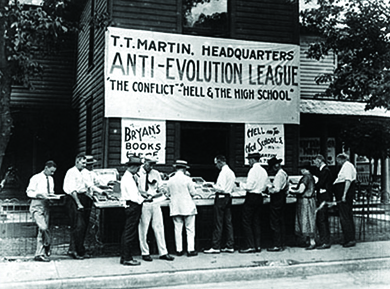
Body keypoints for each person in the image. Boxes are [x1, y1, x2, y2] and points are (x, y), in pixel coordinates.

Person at [137, 157, 174, 262]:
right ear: (144, 163)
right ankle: (145, 252)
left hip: (155, 202)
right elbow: (136, 189)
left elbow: (160, 185)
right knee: (143, 228)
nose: (151, 167)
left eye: (153, 165)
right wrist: (144, 195)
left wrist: (163, 190)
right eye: (149, 164)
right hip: (144, 203)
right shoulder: (138, 173)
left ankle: (163, 252)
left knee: (159, 227)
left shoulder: (155, 173)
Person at [204, 155, 236, 254]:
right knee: (228, 223)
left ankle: (216, 246)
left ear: (220, 162)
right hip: (228, 198)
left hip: (221, 198)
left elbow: (221, 188)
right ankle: (230, 245)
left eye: (216, 163)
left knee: (218, 222)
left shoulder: (223, 173)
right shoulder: (231, 172)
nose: (216, 166)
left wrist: (212, 186)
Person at [237, 153, 269, 254]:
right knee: (256, 221)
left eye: (249, 160)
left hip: (251, 197)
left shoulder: (252, 171)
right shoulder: (263, 171)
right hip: (259, 197)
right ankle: (258, 245)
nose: (248, 162)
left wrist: (240, 184)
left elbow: (249, 186)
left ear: (252, 160)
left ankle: (250, 245)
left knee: (246, 221)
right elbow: (265, 186)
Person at [26, 160, 57, 262]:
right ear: (46, 168)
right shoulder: (36, 178)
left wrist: (53, 197)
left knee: (42, 230)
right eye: (51, 171)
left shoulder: (51, 179)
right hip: (37, 205)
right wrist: (38, 194)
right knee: (43, 228)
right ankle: (47, 245)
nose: (52, 174)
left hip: (46, 205)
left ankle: (39, 254)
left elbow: (51, 192)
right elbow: (29, 192)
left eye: (53, 172)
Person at [166, 160, 198, 257]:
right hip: (188, 206)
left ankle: (179, 250)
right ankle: (190, 249)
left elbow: (168, 193)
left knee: (178, 229)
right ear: (184, 169)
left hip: (176, 207)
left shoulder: (170, 180)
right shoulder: (188, 179)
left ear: (176, 168)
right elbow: (193, 193)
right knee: (190, 229)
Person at [63, 153, 93, 259]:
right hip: (73, 199)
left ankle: (80, 249)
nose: (84, 165)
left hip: (84, 197)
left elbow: (89, 185)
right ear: (77, 161)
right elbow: (73, 190)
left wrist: (101, 192)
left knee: (83, 226)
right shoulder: (71, 172)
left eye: (85, 163)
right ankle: (74, 250)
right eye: (83, 162)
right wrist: (78, 203)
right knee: (78, 225)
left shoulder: (85, 172)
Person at [119, 155, 147, 266]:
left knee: (128, 232)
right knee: (129, 233)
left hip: (131, 205)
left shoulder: (129, 177)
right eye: (138, 167)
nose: (139, 169)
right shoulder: (128, 178)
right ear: (133, 167)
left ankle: (125, 256)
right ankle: (127, 258)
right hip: (133, 205)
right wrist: (145, 199)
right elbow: (133, 196)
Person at [290, 163, 316, 250]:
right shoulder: (311, 177)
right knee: (309, 220)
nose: (301, 170)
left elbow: (300, 190)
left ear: (304, 169)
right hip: (310, 200)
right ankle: (308, 241)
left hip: (305, 201)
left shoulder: (305, 177)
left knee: (307, 220)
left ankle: (312, 242)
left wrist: (291, 190)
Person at [333, 153, 357, 248]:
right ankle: (348, 238)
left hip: (345, 194)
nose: (337, 163)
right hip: (342, 193)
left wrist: (344, 194)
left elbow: (348, 180)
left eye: (338, 160)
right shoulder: (347, 166)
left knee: (345, 217)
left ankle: (350, 239)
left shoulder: (347, 166)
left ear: (341, 159)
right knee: (345, 216)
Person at [267, 156, 289, 252]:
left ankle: (276, 244)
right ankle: (282, 243)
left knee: (275, 221)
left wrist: (268, 189)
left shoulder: (279, 175)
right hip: (282, 198)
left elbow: (276, 189)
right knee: (281, 221)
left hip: (277, 199)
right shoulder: (284, 173)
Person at [313, 154, 333, 249]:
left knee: (322, 218)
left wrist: (313, 186)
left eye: (315, 162)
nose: (315, 164)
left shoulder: (325, 171)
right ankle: (324, 240)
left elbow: (321, 184)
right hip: (323, 196)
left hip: (324, 197)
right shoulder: (322, 170)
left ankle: (325, 241)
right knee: (322, 219)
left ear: (319, 161)